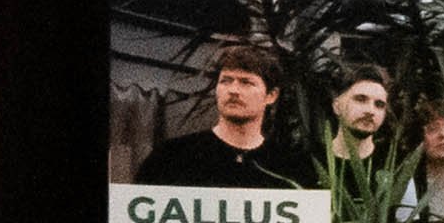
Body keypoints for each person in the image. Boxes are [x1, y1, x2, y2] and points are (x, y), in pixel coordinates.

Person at [134, 43, 296, 188]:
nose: (233, 90)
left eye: (246, 82)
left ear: (271, 95)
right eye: (226, 81)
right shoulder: (171, 156)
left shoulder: (288, 166)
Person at [329, 65, 392, 166]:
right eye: (360, 99)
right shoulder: (308, 164)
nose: (370, 111)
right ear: (337, 106)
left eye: (379, 105)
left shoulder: (394, 165)